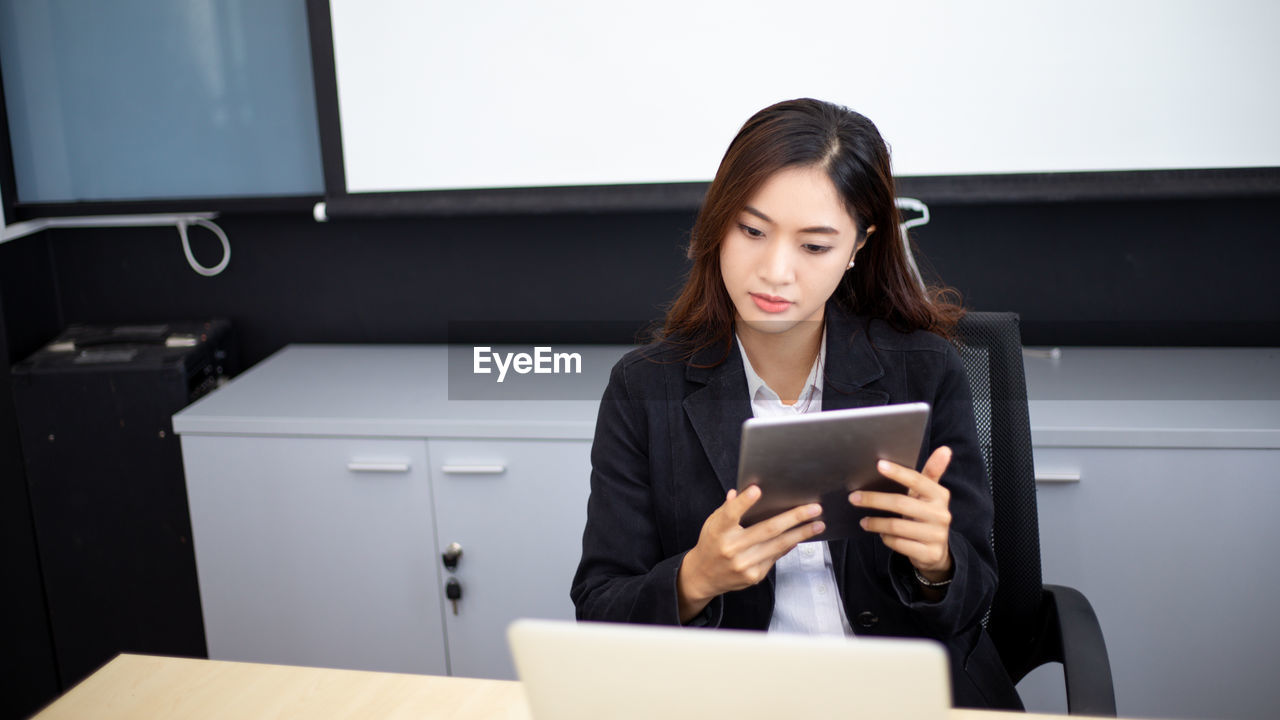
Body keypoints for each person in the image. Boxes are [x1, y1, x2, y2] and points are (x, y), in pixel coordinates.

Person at [569, 98, 1022, 710]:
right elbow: (599, 609)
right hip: (732, 698)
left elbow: (978, 599)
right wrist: (695, 579)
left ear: (858, 246)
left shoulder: (925, 369)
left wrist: (937, 562)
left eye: (814, 246)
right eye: (752, 231)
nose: (775, 272)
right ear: (717, 225)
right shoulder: (643, 387)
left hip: (903, 695)